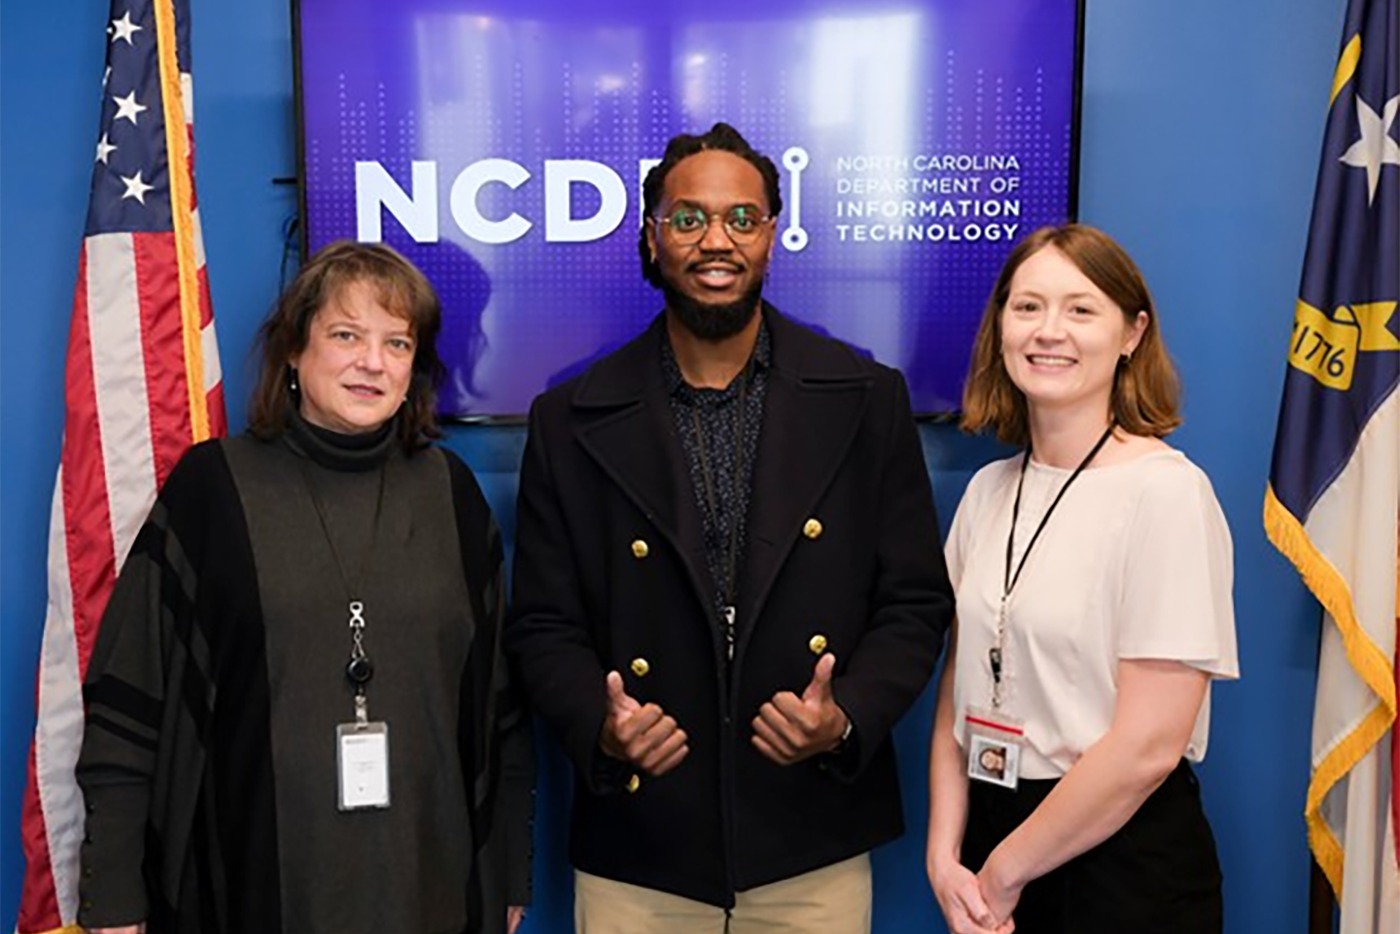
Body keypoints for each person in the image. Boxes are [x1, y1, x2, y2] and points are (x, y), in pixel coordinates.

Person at [505, 122, 953, 933]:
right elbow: (542, 622)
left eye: (742, 219)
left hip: (809, 841)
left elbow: (915, 602)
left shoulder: (863, 398)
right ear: (652, 236)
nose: (718, 240)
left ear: (772, 236)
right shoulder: (568, 420)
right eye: (689, 219)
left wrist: (845, 713)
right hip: (638, 852)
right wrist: (601, 727)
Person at [75, 241, 533, 934]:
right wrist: (112, 894)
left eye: (397, 343)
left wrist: (508, 870)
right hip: (250, 889)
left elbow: (501, 716)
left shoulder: (454, 496)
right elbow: (129, 706)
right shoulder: (212, 491)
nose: (372, 362)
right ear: (294, 348)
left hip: (431, 888)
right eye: (346, 335)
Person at [926, 224, 1239, 934]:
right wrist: (945, 858)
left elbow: (1147, 748)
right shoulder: (987, 492)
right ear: (1000, 326)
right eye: (1027, 306)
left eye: (1080, 308)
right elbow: (958, 686)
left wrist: (1005, 874)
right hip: (989, 839)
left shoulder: (1167, 494)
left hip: (1121, 864)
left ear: (1132, 333)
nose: (1049, 331)